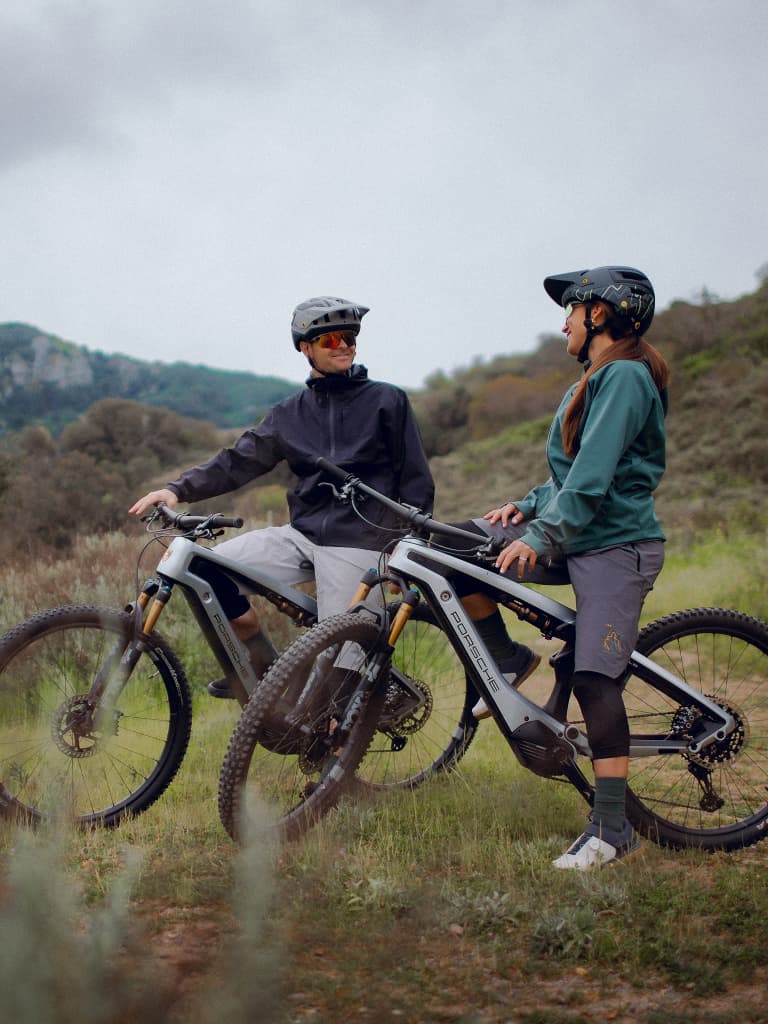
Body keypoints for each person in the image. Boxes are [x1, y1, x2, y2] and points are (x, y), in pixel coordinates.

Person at [452, 266, 668, 870]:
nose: (563, 323)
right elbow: (568, 475)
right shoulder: (598, 378)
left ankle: (612, 827)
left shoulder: (624, 377)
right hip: (579, 535)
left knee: (598, 679)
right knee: (461, 550)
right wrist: (527, 506)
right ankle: (505, 662)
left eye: (570, 311)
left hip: (614, 546)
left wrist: (541, 533)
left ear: (599, 314)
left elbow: (595, 479)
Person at [129, 296, 435, 697]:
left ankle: (348, 728)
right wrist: (176, 489)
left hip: (362, 541)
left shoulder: (387, 400)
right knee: (205, 571)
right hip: (303, 534)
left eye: (350, 338)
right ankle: (265, 669)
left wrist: (408, 548)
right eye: (331, 340)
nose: (344, 345)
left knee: (339, 682)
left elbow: (415, 478)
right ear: (305, 348)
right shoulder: (289, 414)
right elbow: (238, 460)